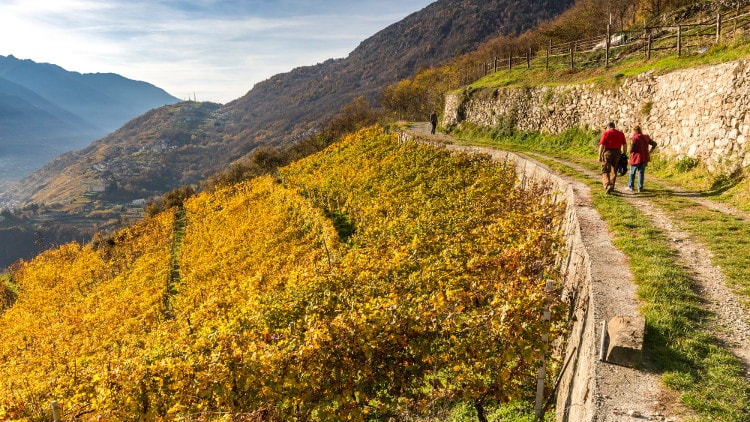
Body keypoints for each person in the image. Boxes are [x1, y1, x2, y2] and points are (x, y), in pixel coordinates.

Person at [598, 122, 627, 194]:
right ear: (614, 126)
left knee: (605, 170)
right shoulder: (621, 134)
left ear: (608, 127)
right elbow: (625, 144)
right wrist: (624, 153)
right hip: (617, 153)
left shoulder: (606, 133)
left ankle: (607, 185)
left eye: (606, 128)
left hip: (608, 152)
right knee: (614, 170)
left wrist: (599, 156)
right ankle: (612, 185)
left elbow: (601, 146)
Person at [626, 125, 657, 192]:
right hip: (644, 157)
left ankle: (630, 186)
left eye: (633, 131)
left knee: (632, 172)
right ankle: (640, 188)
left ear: (635, 131)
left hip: (635, 157)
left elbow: (631, 149)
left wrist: (629, 153)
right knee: (641, 172)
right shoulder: (646, 137)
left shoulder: (634, 138)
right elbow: (654, 144)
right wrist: (649, 152)